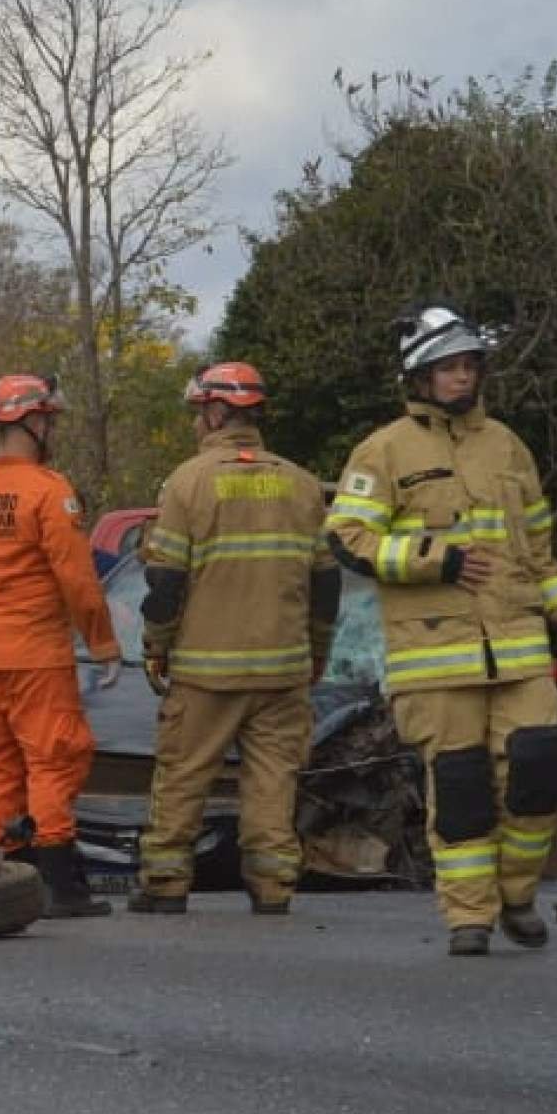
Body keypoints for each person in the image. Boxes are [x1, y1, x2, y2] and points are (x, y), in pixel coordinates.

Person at [326, 307, 557, 956]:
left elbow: (537, 550)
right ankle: (467, 916)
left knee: (536, 772)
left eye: (469, 363)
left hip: (519, 646)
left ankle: (515, 894)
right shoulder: (383, 449)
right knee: (460, 789)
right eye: (448, 366)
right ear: (419, 376)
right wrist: (433, 558)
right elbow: (348, 536)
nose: (462, 375)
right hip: (433, 654)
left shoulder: (505, 446)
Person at [129, 363, 337, 917]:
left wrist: (156, 646)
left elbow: (165, 582)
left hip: (206, 671)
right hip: (283, 671)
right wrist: (319, 651)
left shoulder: (189, 482)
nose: (198, 424)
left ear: (217, 412)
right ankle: (272, 888)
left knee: (183, 775)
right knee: (273, 780)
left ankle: (165, 884)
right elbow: (326, 582)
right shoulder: (302, 484)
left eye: (200, 413)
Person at [0, 375, 124, 918]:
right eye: (48, 418)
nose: (52, 428)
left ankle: (7, 875)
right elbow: (77, 579)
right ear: (32, 420)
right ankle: (61, 883)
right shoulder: (49, 491)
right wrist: (104, 643)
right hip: (36, 650)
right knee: (53, 758)